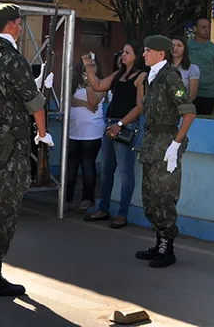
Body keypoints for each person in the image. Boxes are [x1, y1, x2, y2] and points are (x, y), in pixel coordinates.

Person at [0, 3, 52, 297]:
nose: (21, 27)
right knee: (6, 206)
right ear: (11, 24)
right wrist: (42, 135)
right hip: (14, 142)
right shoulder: (13, 59)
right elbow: (34, 103)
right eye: (19, 23)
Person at [134, 35, 195, 269]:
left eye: (148, 50)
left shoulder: (170, 77)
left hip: (165, 144)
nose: (144, 54)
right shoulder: (152, 77)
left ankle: (167, 249)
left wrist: (176, 144)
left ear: (161, 54)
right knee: (150, 197)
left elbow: (188, 112)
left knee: (164, 197)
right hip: (151, 144)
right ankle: (158, 242)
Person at [84, 43, 145, 227]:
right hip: (111, 124)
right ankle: (103, 209)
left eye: (127, 52)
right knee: (106, 170)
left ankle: (122, 214)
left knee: (126, 172)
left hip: (124, 126)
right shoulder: (119, 74)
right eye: (122, 52)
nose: (123, 55)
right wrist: (89, 69)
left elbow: (140, 106)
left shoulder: (141, 76)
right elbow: (98, 85)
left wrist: (121, 124)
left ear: (136, 56)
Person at [65, 57, 104, 213]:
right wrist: (84, 104)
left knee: (88, 165)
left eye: (93, 65)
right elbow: (69, 100)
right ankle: (67, 198)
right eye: (87, 65)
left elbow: (94, 101)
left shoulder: (101, 83)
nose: (89, 67)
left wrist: (89, 82)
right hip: (74, 131)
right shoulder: (74, 82)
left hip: (92, 132)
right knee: (71, 166)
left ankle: (87, 198)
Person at [187, 18, 214, 115]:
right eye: (203, 27)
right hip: (189, 95)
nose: (206, 30)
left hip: (209, 95)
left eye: (208, 27)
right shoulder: (186, 47)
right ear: (195, 29)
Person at [171, 36, 199, 100]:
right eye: (173, 45)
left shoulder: (192, 69)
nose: (175, 48)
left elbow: (192, 94)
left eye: (179, 46)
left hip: (182, 105)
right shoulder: (164, 66)